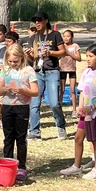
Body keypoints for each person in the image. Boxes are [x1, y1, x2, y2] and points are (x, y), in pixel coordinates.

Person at [59, 44, 96, 180]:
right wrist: (80, 107)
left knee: (95, 140)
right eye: (87, 56)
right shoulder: (86, 73)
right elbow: (82, 92)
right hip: (86, 113)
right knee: (78, 138)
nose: (87, 59)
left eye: (91, 56)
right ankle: (76, 166)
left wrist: (93, 107)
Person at [0, 43, 39, 181]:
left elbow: (35, 91)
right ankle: (7, 163)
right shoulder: (5, 70)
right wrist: (6, 89)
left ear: (22, 58)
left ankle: (21, 166)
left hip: (22, 107)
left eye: (16, 61)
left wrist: (22, 90)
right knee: (8, 137)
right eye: (10, 61)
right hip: (7, 106)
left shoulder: (28, 71)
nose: (13, 64)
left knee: (21, 138)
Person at [26, 11, 67, 140]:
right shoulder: (34, 37)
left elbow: (63, 52)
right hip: (38, 72)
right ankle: (34, 132)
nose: (37, 23)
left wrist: (50, 52)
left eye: (39, 20)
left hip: (52, 71)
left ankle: (60, 125)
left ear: (46, 21)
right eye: (35, 21)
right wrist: (28, 53)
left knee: (54, 103)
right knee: (34, 103)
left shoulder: (55, 35)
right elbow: (32, 58)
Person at [60, 30, 81, 117]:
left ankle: (74, 110)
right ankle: (59, 110)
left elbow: (79, 58)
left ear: (72, 37)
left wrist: (68, 53)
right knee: (62, 90)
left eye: (68, 36)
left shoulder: (75, 46)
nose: (66, 38)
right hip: (62, 70)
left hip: (72, 70)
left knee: (72, 90)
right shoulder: (61, 46)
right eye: (64, 36)